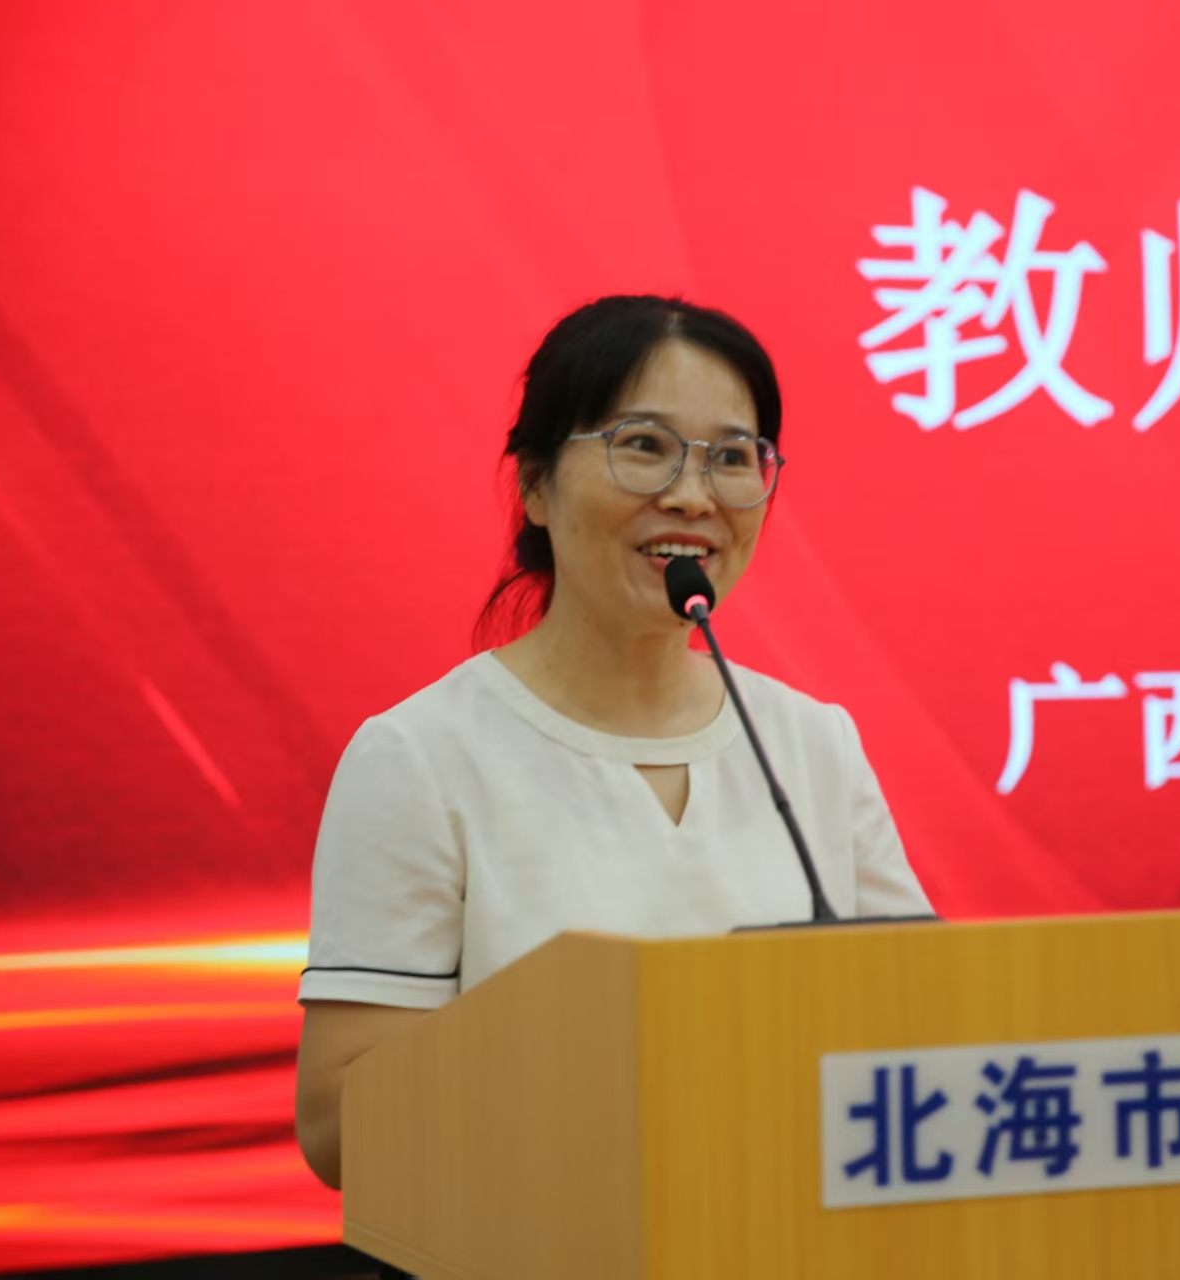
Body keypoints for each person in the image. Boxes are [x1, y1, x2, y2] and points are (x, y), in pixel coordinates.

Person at [293, 296, 932, 1190]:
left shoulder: (810, 742)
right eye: (643, 445)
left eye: (731, 458)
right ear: (535, 485)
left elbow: (933, 1031)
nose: (692, 496)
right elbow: (337, 1125)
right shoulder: (420, 758)